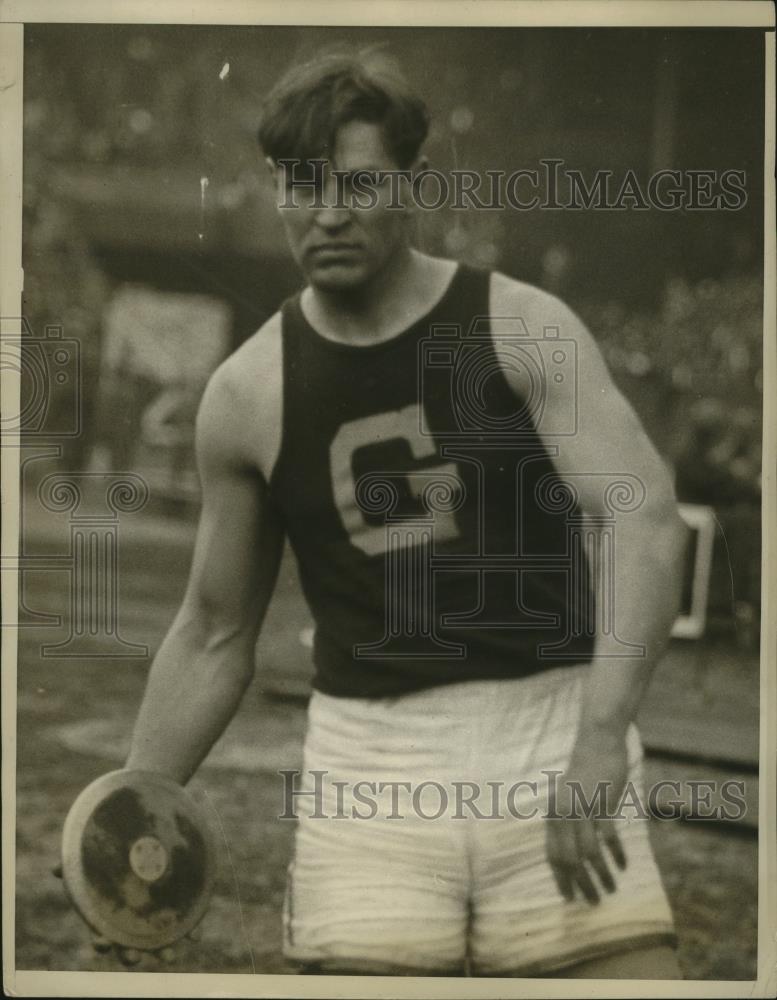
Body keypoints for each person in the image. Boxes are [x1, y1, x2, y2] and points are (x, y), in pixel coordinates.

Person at [121, 50, 688, 978]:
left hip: (547, 733)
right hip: (370, 761)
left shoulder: (521, 326)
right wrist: (134, 806)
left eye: (358, 185)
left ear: (413, 185)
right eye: (302, 187)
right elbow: (216, 630)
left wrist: (599, 736)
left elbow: (644, 518)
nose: (328, 213)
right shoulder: (247, 392)